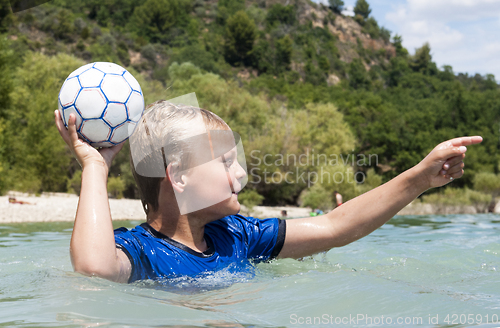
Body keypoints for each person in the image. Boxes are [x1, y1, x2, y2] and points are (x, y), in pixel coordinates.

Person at [54, 101, 482, 283]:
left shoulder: (237, 235)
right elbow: (93, 269)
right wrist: (95, 166)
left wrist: (421, 178)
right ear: (178, 177)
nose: (239, 170)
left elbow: (334, 226)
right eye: (223, 161)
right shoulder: (142, 253)